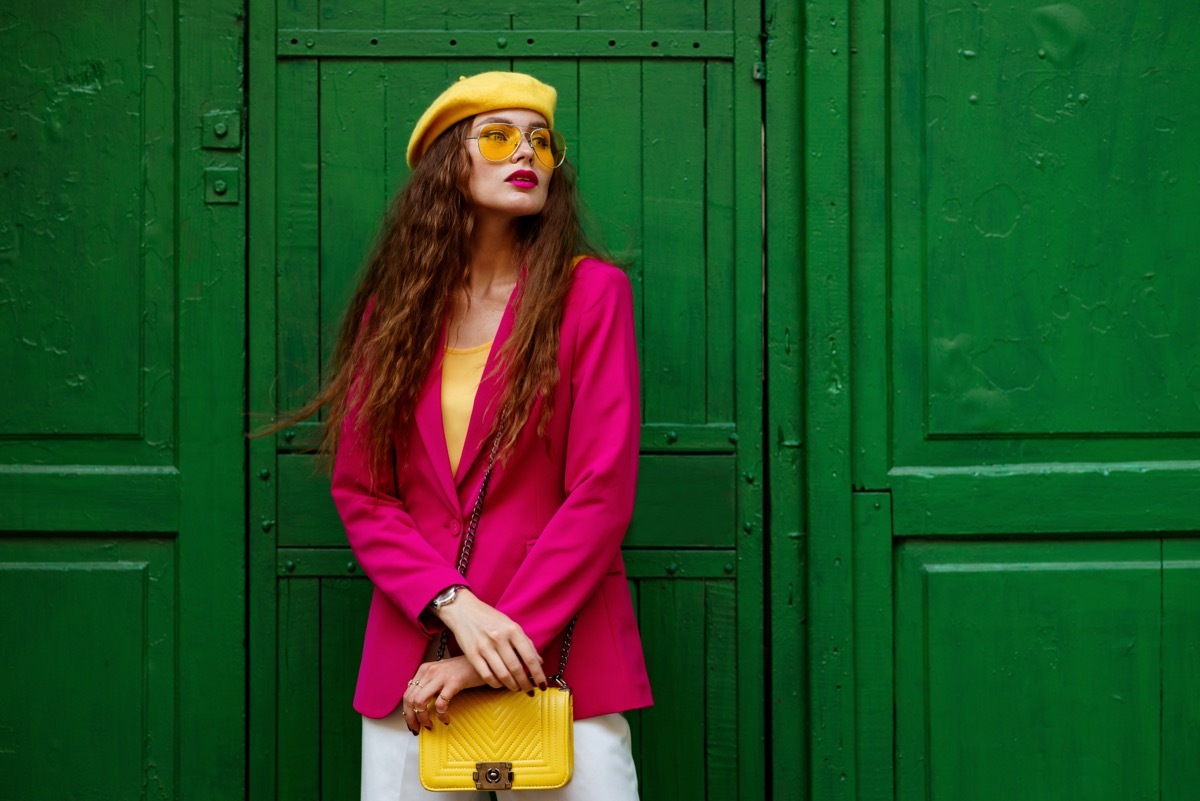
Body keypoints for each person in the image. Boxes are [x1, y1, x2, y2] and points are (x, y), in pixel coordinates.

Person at [316, 71, 652, 800]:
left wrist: (484, 655)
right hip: (415, 665)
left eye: (540, 140)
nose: (523, 153)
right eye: (497, 137)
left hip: (565, 657)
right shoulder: (394, 313)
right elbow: (363, 491)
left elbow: (600, 491)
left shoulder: (591, 294)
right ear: (447, 164)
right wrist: (453, 604)